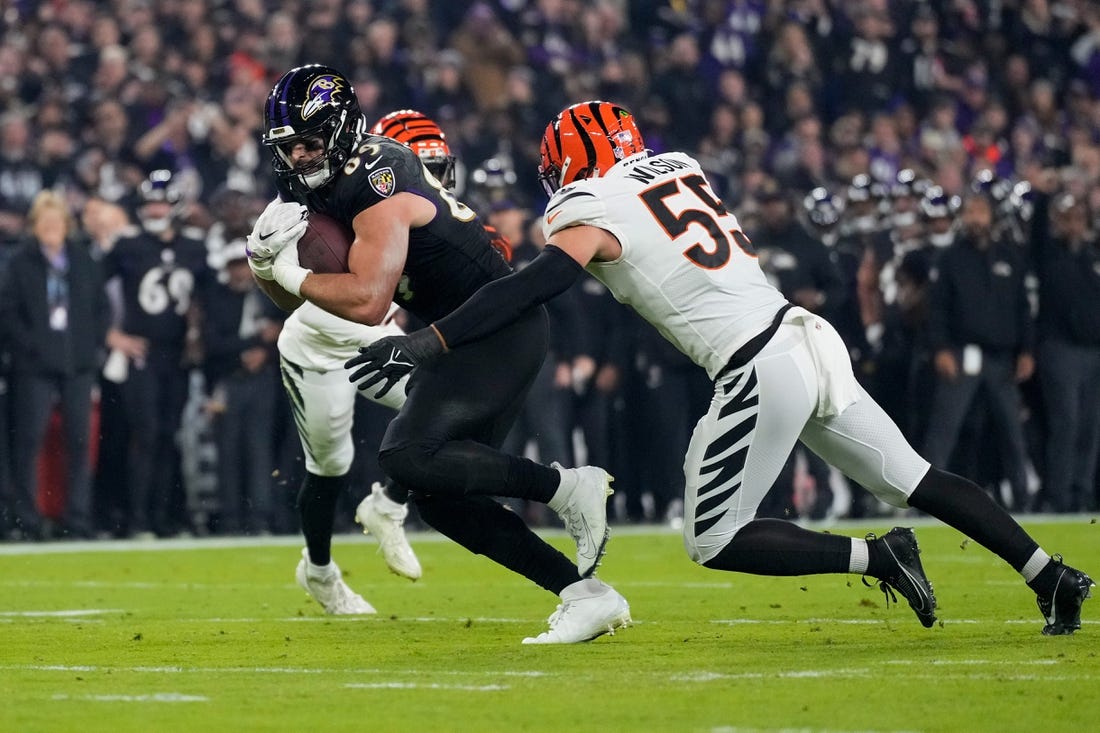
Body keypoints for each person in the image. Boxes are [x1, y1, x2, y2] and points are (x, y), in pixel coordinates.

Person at [351, 100, 1094, 636]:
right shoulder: (679, 167)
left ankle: (877, 553)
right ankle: (1047, 573)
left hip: (754, 362)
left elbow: (538, 282)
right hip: (807, 337)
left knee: (711, 537)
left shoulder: (586, 203)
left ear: (569, 165)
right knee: (918, 477)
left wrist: (428, 341)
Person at [248, 65, 629, 643]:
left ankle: (564, 489)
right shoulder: (314, 183)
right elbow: (303, 300)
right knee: (441, 500)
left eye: (310, 142)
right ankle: (583, 593)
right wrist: (266, 271)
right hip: (458, 333)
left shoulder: (377, 174)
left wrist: (289, 271)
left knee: (404, 456)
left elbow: (370, 301)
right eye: (289, 146)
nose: (299, 157)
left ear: (344, 129)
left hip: (494, 330)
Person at [102, 170, 209, 538]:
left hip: (177, 356)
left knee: (169, 435)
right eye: (149, 202)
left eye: (161, 201)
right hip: (141, 354)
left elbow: (209, 299)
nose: (155, 208)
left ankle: (163, 518)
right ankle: (137, 519)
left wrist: (199, 334)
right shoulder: (127, 245)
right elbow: (88, 292)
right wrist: (111, 334)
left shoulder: (195, 246)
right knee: (145, 435)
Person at [0, 190, 109, 540]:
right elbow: (9, 314)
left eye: (57, 221)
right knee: (28, 444)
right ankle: (27, 520)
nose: (51, 228)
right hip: (33, 367)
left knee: (79, 443)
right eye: (45, 222)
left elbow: (100, 308)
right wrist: (31, 349)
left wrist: (90, 347)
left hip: (77, 365)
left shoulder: (82, 260)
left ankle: (77, 518)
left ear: (66, 225)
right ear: (34, 226)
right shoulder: (19, 262)